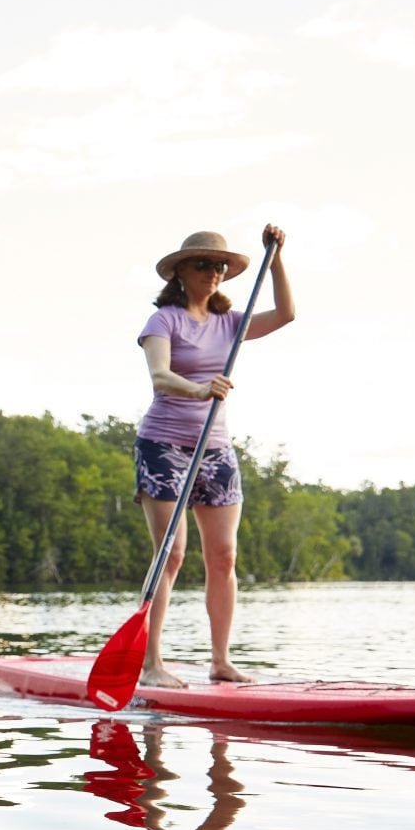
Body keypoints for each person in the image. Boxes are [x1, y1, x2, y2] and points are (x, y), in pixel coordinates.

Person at [132, 226, 293, 688]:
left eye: (220, 266)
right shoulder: (164, 321)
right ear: (181, 271)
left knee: (223, 555)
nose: (214, 273)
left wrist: (277, 257)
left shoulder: (231, 323)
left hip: (216, 449)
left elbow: (286, 313)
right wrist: (200, 389)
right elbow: (160, 377)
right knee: (172, 554)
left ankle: (221, 662)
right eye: (204, 264)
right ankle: (151, 665)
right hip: (164, 446)